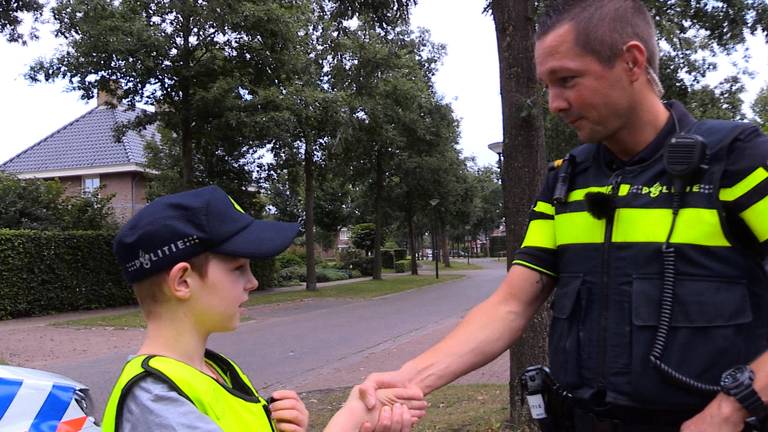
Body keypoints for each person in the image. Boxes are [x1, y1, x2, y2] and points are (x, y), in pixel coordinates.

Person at [358, 1, 768, 431]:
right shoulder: (566, 180)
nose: (554, 103)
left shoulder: (735, 159)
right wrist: (410, 380)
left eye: (567, 80)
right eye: (547, 86)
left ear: (631, 61)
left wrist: (729, 410)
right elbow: (510, 305)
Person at [101, 185, 425, 432]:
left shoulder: (217, 371)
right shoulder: (157, 400)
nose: (253, 282)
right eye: (238, 268)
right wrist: (351, 418)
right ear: (183, 281)